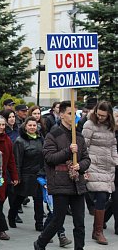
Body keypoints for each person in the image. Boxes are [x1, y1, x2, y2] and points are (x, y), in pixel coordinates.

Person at [34, 101, 91, 250]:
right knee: (58, 220)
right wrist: (67, 151)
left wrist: (81, 166)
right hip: (60, 183)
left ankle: (80, 248)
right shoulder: (53, 135)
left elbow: (86, 158)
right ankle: (40, 243)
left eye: (76, 114)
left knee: (80, 222)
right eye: (70, 113)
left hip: (77, 184)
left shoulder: (78, 136)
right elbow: (49, 158)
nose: (74, 116)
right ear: (62, 115)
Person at [82, 101, 118, 245]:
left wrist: (115, 160)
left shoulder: (110, 126)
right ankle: (98, 231)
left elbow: (113, 145)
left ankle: (97, 230)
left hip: (108, 166)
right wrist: (85, 166)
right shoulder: (89, 125)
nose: (100, 117)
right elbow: (83, 146)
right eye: (98, 114)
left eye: (103, 115)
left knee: (105, 196)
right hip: (93, 165)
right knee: (102, 196)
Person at [8, 117, 44, 231]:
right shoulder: (20, 141)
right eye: (30, 125)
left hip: (38, 175)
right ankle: (11, 216)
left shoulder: (40, 139)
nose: (32, 127)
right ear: (25, 127)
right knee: (19, 198)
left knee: (39, 201)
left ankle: (39, 224)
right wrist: (17, 176)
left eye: (34, 125)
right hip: (25, 175)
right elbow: (17, 160)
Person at [0, 115, 18, 240]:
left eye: (3, 125)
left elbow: (11, 159)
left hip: (3, 176)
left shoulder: (7, 140)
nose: (1, 127)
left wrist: (14, 175)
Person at [104, 109, 118, 234]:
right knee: (116, 197)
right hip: (113, 167)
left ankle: (102, 218)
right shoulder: (110, 131)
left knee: (114, 199)